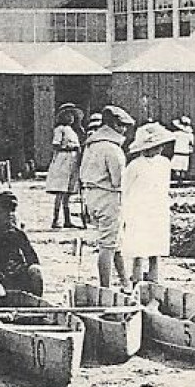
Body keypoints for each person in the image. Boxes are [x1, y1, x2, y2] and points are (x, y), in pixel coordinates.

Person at [79, 105, 132, 287]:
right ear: (115, 126)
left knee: (114, 242)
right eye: (122, 125)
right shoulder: (112, 149)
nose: (124, 130)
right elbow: (118, 181)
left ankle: (125, 281)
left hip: (91, 196)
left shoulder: (91, 145)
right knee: (108, 246)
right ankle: (105, 287)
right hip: (109, 197)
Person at [119, 121, 175, 287]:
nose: (159, 149)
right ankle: (136, 279)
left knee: (155, 247)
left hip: (157, 208)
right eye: (156, 146)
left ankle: (154, 278)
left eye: (161, 145)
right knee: (139, 247)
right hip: (139, 208)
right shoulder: (135, 165)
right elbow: (125, 187)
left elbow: (165, 185)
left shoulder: (164, 163)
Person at [0, 190, 45, 302]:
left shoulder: (17, 232)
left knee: (36, 270)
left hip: (16, 274)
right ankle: (0, 303)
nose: (10, 214)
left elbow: (32, 258)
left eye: (12, 210)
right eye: (5, 210)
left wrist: (24, 268)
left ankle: (35, 303)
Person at [45, 104, 84, 229]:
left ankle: (68, 220)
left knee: (68, 191)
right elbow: (56, 145)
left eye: (72, 115)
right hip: (63, 160)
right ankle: (56, 219)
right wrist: (71, 147)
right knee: (60, 191)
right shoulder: (60, 129)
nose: (71, 117)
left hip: (72, 161)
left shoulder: (72, 130)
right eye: (68, 115)